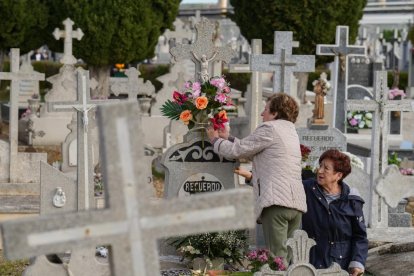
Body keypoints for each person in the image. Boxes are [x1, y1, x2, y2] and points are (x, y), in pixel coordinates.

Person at [207, 93, 307, 263]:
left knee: (277, 262)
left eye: (266, 109)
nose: (262, 114)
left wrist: (214, 140)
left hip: (277, 203)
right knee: (289, 261)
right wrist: (228, 138)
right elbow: (254, 149)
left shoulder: (270, 128)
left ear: (275, 113)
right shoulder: (290, 131)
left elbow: (237, 151)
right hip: (295, 204)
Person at [302, 149, 368, 275]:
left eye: (326, 168)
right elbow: (285, 188)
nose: (320, 171)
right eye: (320, 165)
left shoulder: (352, 200)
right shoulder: (307, 188)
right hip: (310, 264)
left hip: (339, 266)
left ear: (338, 175)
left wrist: (357, 263)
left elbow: (360, 236)